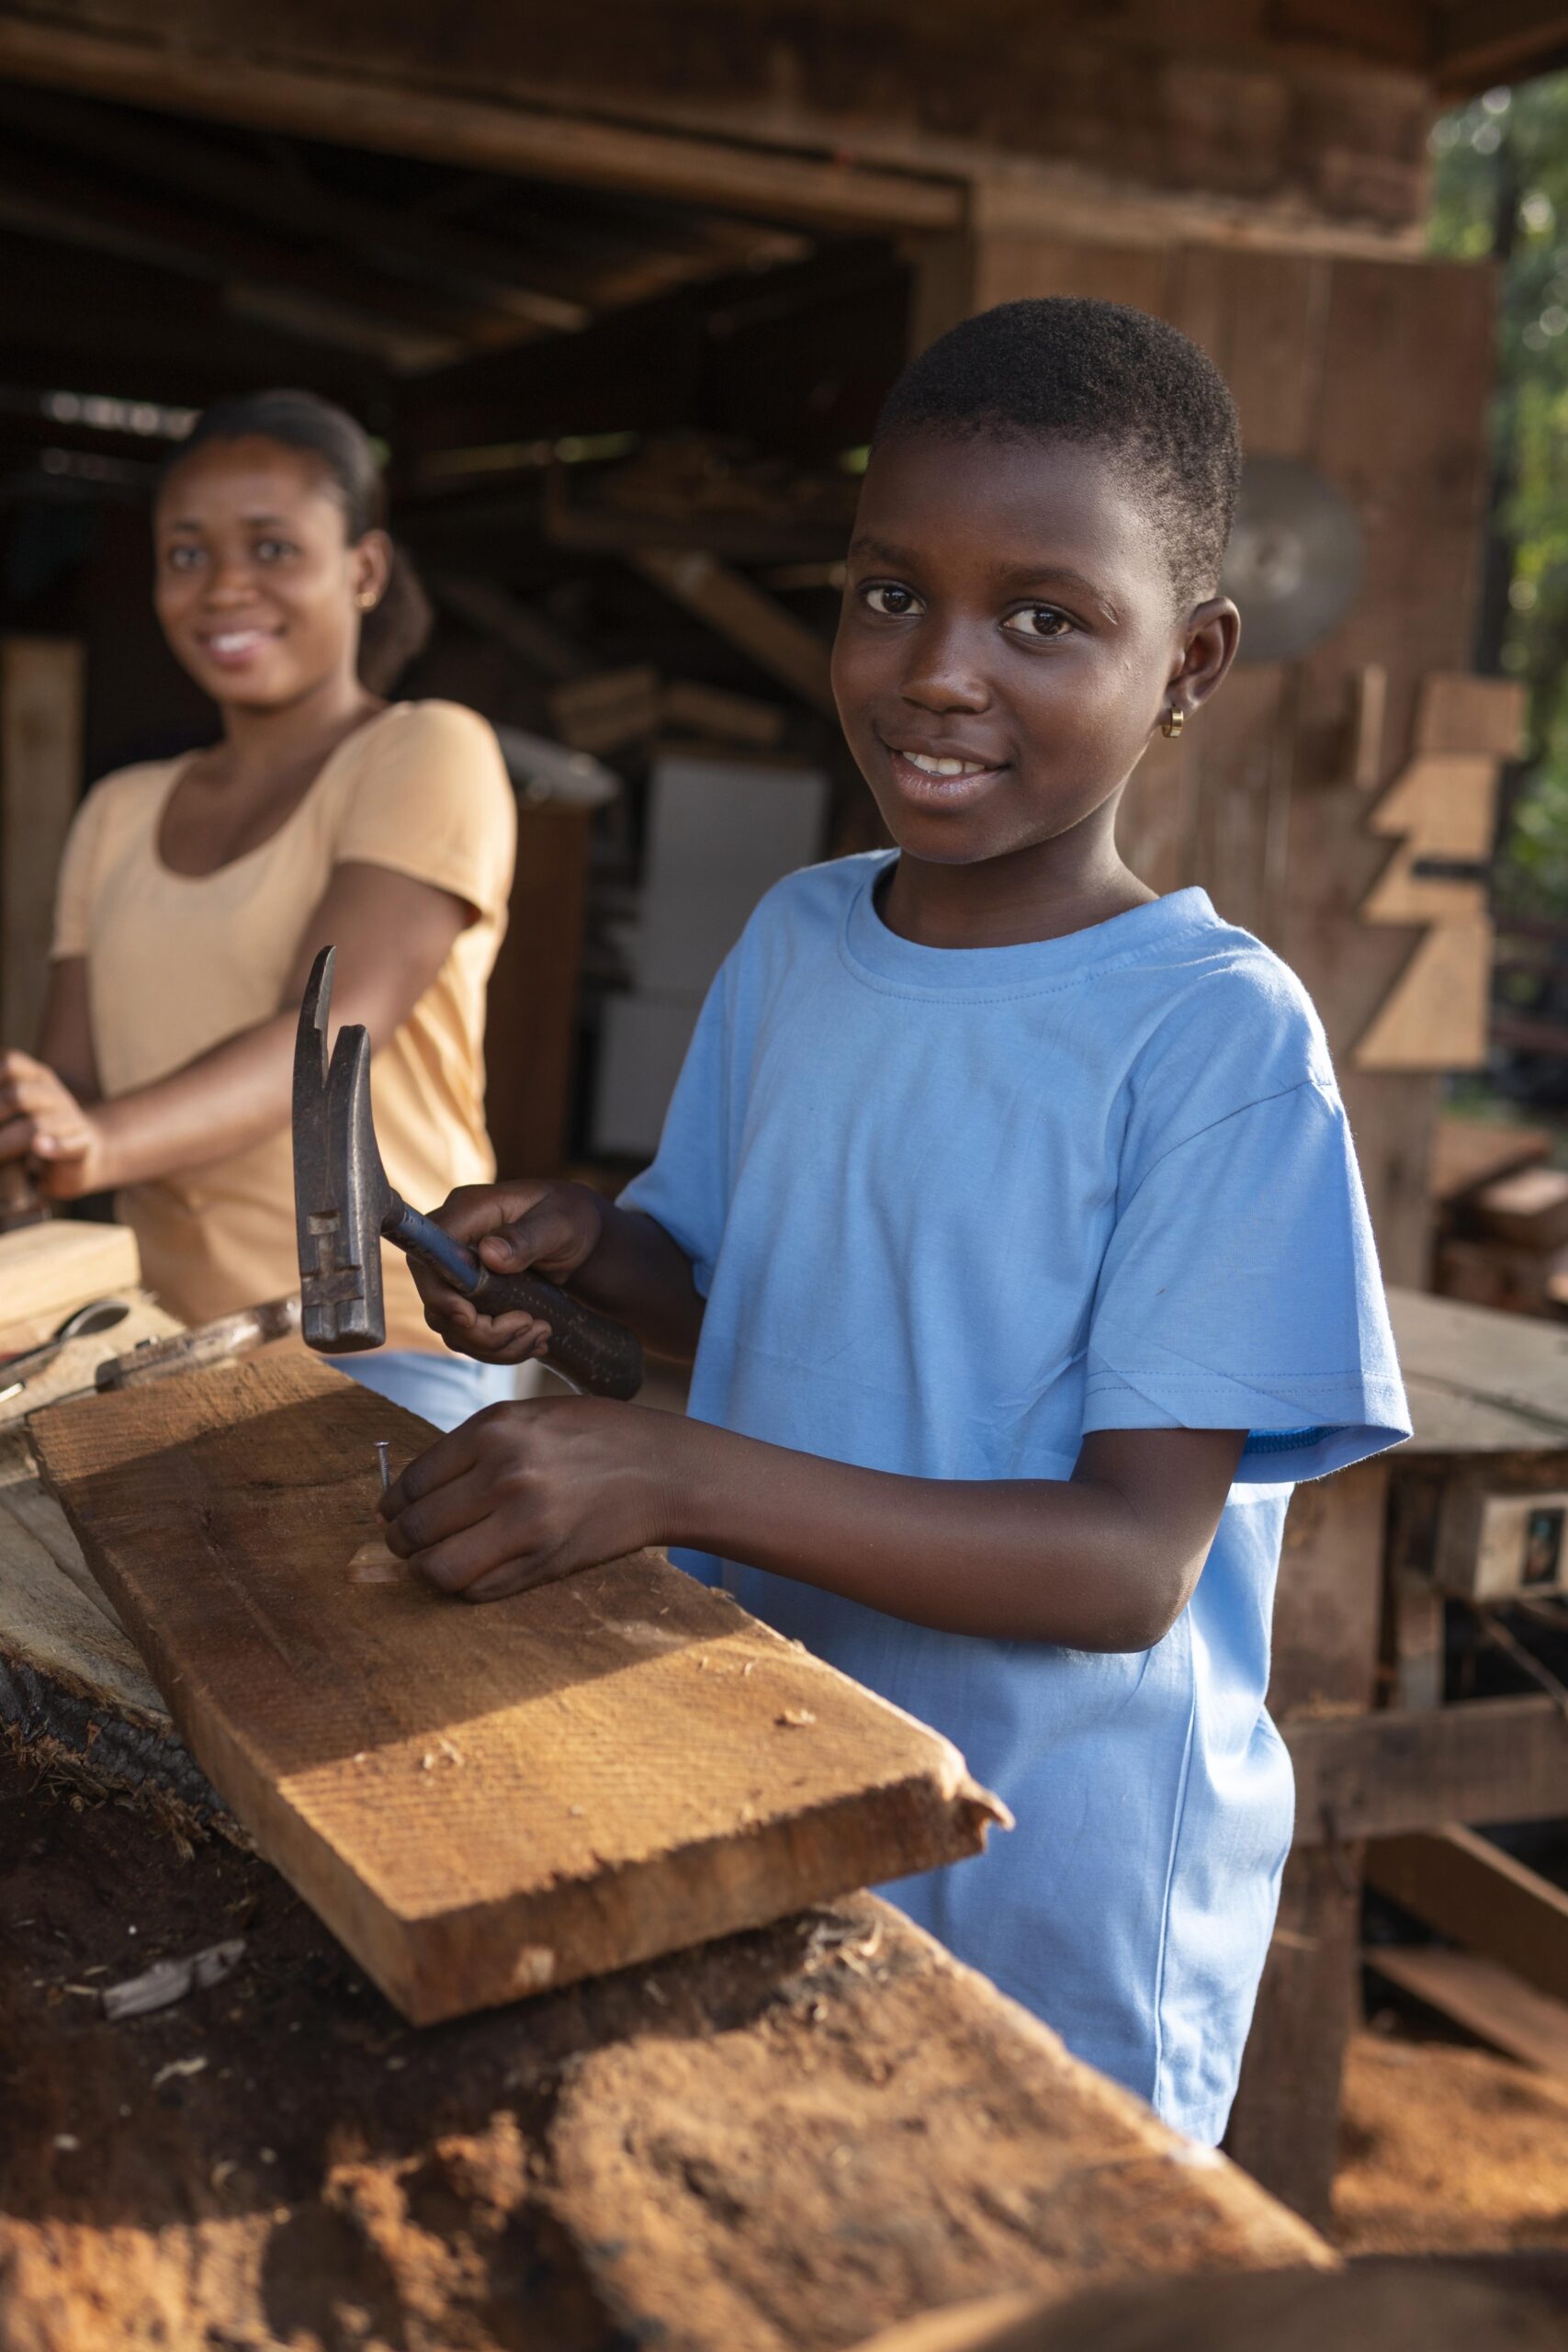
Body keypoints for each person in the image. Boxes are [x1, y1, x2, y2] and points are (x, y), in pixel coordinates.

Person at [377, 300, 1411, 2142]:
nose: (936, 669)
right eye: (881, 593)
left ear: (1187, 661)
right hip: (760, 1772)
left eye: (1041, 617)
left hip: (1041, 1879)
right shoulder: (798, 939)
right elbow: (733, 1290)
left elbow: (1124, 1565)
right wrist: (585, 1249)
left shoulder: (1212, 1038)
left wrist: (673, 1477)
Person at [0, 390, 516, 1430]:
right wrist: (31, 1134)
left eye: (272, 548)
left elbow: (322, 1038)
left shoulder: (427, 750)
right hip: (156, 1346)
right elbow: (75, 1089)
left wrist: (90, 1141)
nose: (225, 586)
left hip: (392, 1348)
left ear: (362, 570)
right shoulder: (120, 809)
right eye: (187, 556)